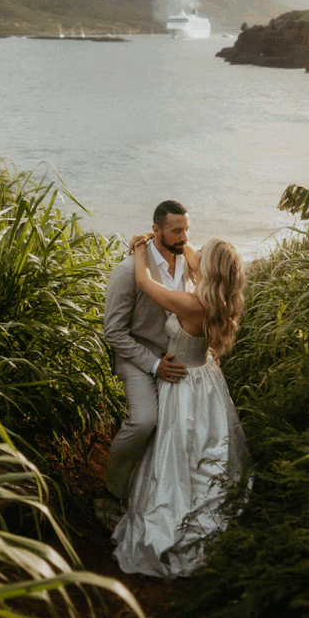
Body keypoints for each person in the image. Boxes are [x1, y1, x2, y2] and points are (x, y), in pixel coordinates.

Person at [111, 233, 251, 578]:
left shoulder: (191, 304)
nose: (193, 251)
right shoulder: (221, 299)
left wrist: (142, 245)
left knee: (178, 447)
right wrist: (175, 241)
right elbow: (189, 254)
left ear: (210, 269)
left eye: (201, 252)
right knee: (205, 445)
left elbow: (143, 281)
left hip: (182, 382)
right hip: (207, 378)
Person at [102, 201, 193, 508]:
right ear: (157, 230)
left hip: (178, 356)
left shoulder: (188, 263)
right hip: (139, 359)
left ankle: (166, 496)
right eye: (176, 230)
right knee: (144, 422)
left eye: (186, 230)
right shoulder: (128, 271)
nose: (183, 237)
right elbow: (113, 332)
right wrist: (154, 365)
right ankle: (113, 491)